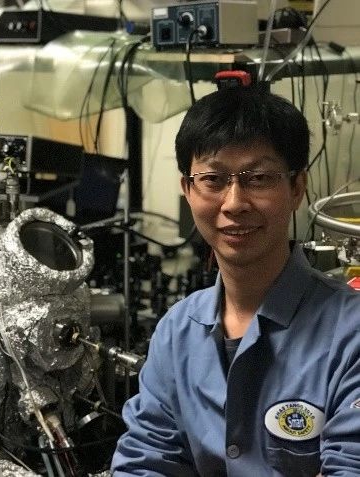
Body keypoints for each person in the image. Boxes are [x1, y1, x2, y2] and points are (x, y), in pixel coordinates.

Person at [111, 86, 360, 476]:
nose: (234, 203)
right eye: (213, 179)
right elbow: (145, 461)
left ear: (297, 188)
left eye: (258, 178)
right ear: (188, 190)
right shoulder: (177, 332)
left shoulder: (351, 331)